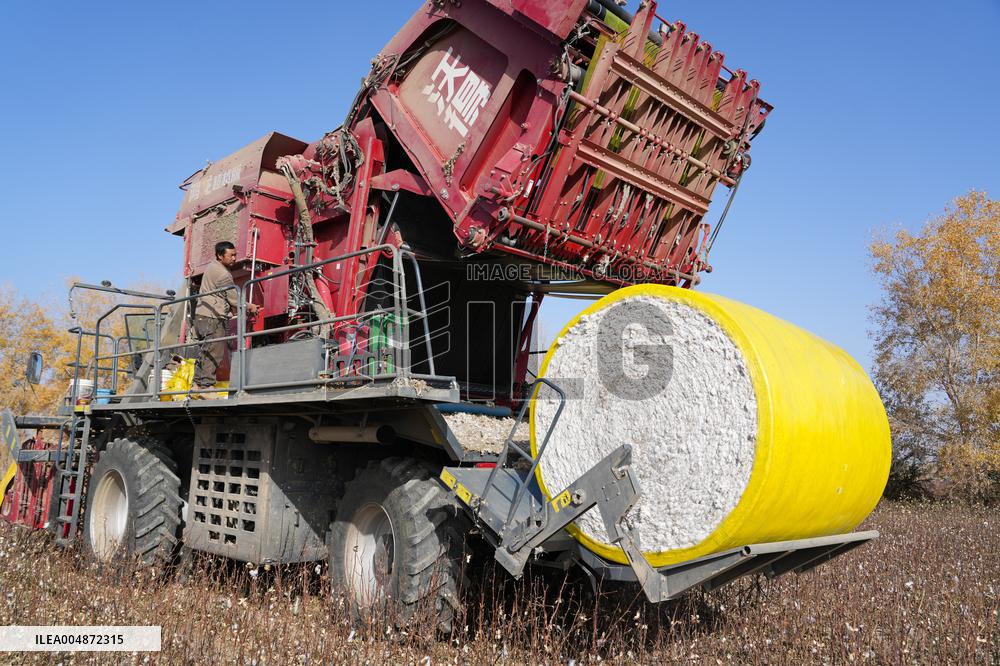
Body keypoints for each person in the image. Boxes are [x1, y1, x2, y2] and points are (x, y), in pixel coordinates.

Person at [193, 241, 260, 393]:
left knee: (205, 351)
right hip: (212, 317)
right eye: (231, 255)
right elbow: (234, 298)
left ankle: (197, 385)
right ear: (219, 255)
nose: (234, 258)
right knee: (214, 351)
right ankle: (205, 387)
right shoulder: (223, 274)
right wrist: (250, 306)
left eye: (235, 255)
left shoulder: (212, 266)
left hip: (202, 315)